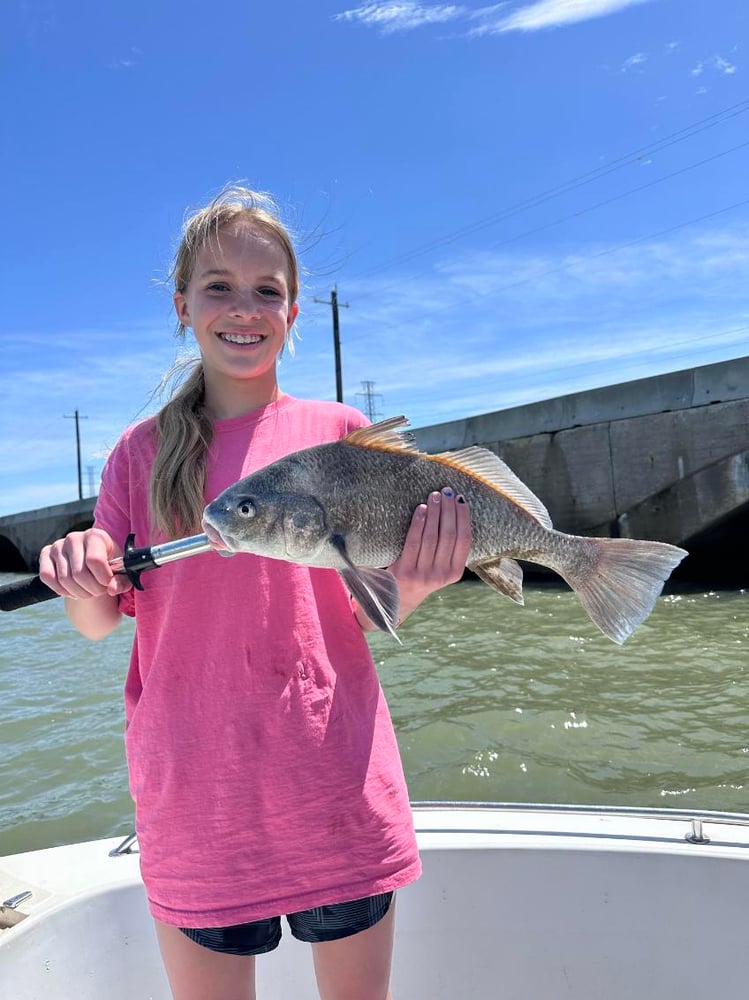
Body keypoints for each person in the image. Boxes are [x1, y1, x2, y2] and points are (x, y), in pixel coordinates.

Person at [39, 185, 472, 1000]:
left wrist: (414, 584)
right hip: (196, 794)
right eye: (218, 286)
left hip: (333, 777)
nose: (244, 308)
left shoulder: (343, 431)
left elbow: (358, 614)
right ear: (182, 305)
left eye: (266, 290)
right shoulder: (139, 454)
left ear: (294, 312)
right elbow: (98, 621)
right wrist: (76, 570)